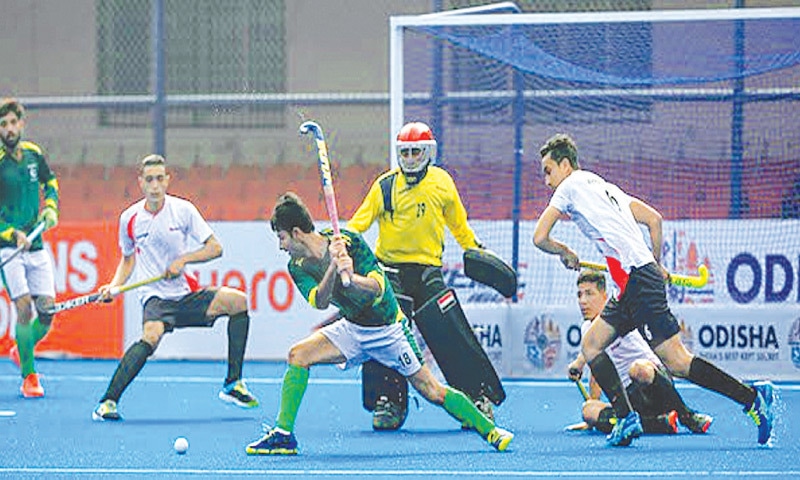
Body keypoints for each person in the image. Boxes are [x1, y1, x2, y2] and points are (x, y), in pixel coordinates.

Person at [533, 133, 775, 446]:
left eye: (548, 170)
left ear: (565, 165)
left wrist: (564, 251)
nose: (546, 180)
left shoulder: (568, 187)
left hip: (636, 279)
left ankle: (752, 397)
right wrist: (656, 264)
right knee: (592, 344)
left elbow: (539, 238)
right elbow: (654, 219)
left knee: (677, 362)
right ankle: (627, 418)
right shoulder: (607, 188)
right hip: (636, 280)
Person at [245, 192, 513, 455]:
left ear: (296, 232)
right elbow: (320, 301)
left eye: (281, 237)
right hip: (352, 329)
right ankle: (283, 435)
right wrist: (333, 269)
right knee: (298, 355)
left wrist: (351, 275)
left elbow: (377, 289)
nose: (281, 246)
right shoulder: (297, 265)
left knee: (432, 391)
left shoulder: (349, 241)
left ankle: (490, 431)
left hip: (388, 330)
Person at [347, 121, 496, 430]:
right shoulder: (384, 186)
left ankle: (475, 398)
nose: (410, 158)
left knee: (450, 331)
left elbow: (459, 226)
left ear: (429, 152)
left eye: (416, 151)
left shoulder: (442, 183)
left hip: (429, 270)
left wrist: (474, 249)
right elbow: (358, 225)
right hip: (389, 272)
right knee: (385, 332)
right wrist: (338, 241)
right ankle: (389, 402)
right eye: (405, 152)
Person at [92, 154, 258, 421]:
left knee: (238, 302)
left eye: (160, 178)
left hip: (185, 294)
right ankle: (108, 402)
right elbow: (127, 259)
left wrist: (184, 259)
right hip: (155, 297)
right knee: (151, 335)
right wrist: (114, 287)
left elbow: (216, 248)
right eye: (149, 180)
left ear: (167, 180)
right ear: (140, 183)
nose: (155, 185)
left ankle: (233, 384)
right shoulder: (129, 218)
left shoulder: (183, 210)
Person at [567, 269, 713, 435]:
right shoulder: (587, 329)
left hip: (655, 384)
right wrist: (593, 419)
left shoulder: (620, 315)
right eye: (579, 295)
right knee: (588, 410)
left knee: (638, 369)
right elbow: (594, 371)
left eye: (589, 294)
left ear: (604, 296)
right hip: (630, 397)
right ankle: (659, 424)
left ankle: (687, 415)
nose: (583, 301)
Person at [0, 98, 60, 398]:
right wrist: (11, 233)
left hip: (36, 246)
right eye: (3, 125)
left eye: (13, 122)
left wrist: (50, 208)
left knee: (47, 313)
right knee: (23, 308)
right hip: (7, 250)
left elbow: (51, 183)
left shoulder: (35, 154)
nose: (9, 129)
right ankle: (29, 376)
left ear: (21, 123)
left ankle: (21, 349)